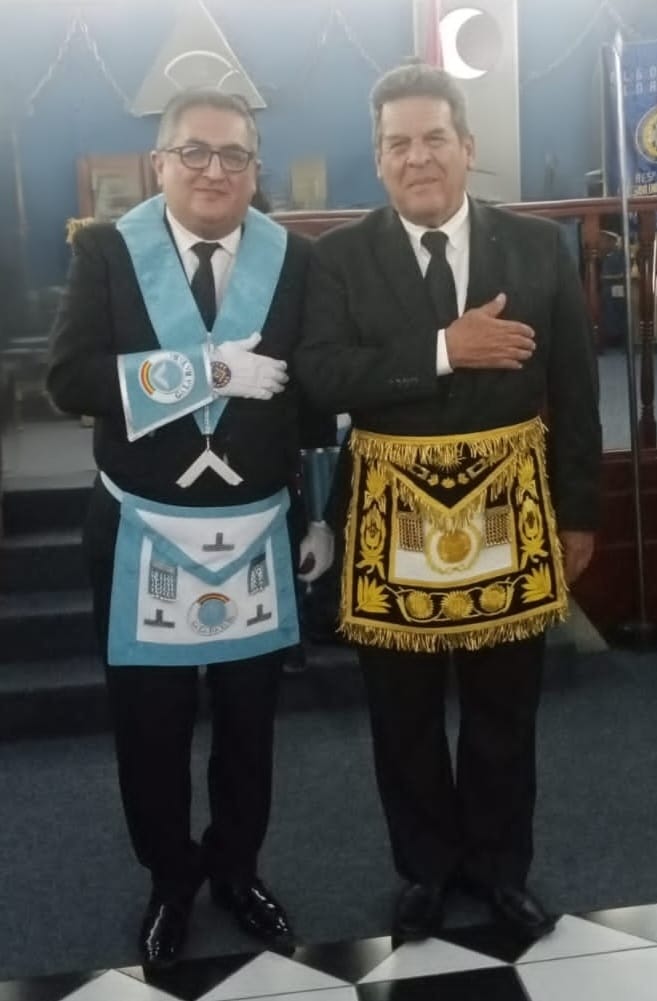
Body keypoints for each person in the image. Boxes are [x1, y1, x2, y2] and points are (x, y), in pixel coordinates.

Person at [297, 63, 601, 941]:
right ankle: (426, 868)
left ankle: (500, 868)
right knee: (403, 712)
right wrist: (443, 349)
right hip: (388, 510)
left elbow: (576, 390)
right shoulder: (339, 256)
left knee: (504, 705)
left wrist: (578, 510)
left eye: (434, 138)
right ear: (377, 158)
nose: (417, 156)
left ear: (467, 146)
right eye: (397, 143)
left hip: (509, 501)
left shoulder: (535, 246)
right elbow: (322, 375)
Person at [47, 88, 335, 967]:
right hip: (143, 530)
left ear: (255, 169)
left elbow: (311, 402)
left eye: (234, 155)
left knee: (250, 726)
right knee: (151, 727)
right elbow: (70, 379)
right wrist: (201, 370)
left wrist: (318, 512)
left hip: (256, 531)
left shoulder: (293, 258)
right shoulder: (107, 250)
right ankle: (170, 878)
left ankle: (237, 868)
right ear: (160, 163)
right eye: (195, 153)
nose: (215, 171)